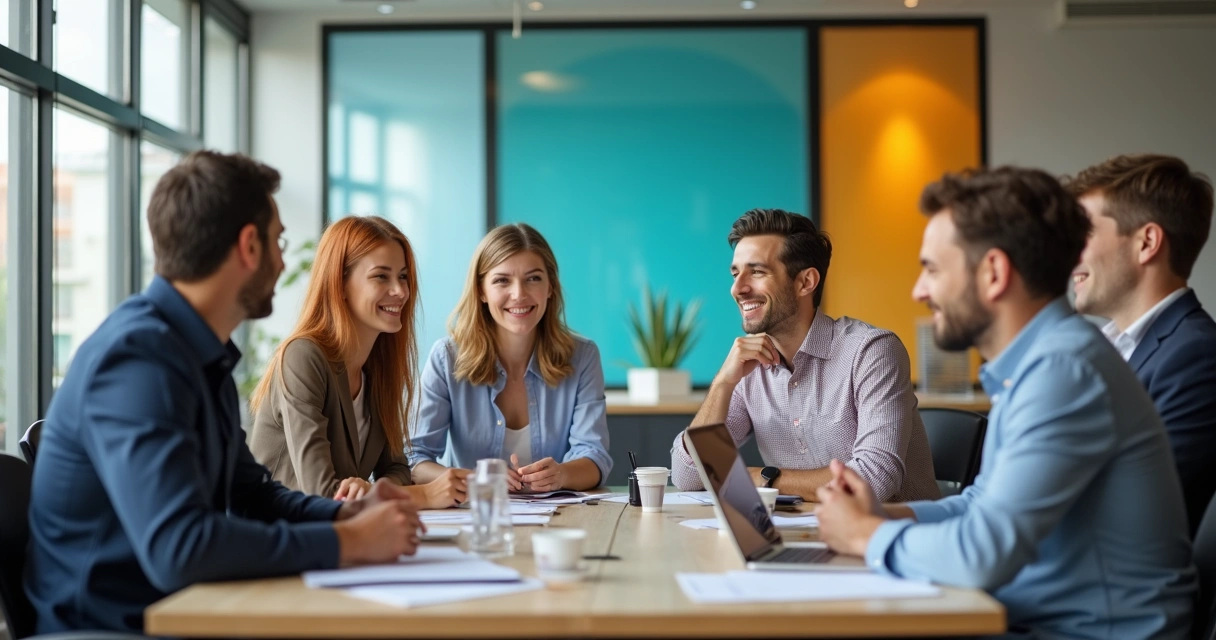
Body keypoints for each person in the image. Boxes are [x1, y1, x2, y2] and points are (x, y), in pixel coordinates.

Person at [25, 152, 424, 634]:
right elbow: (181, 548)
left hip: (184, 609)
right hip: (117, 626)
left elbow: (253, 494)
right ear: (248, 246)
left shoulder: (191, 352)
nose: (283, 261)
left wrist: (348, 514)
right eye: (277, 242)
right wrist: (347, 542)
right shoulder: (137, 360)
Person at [815, 166, 1195, 640]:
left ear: (993, 273)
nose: (919, 290)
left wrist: (863, 536)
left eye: (932, 268)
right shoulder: (1041, 363)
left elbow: (982, 552)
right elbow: (983, 504)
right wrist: (884, 515)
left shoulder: (1063, 371)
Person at [669, 208, 938, 502]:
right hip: (801, 537)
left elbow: (874, 481)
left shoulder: (871, 352)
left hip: (888, 539)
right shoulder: (747, 367)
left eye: (756, 271)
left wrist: (758, 477)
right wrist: (723, 383)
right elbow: (688, 475)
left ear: (805, 282)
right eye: (735, 273)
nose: (738, 288)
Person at [248, 215, 465, 508]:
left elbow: (397, 468)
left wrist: (372, 489)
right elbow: (322, 495)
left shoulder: (377, 368)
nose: (401, 291)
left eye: (403, 276)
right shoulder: (303, 356)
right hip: (280, 541)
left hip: (335, 538)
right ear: (340, 284)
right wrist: (422, 494)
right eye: (381, 276)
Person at [1067, 154, 1216, 535]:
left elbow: (1139, 512)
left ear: (1147, 242)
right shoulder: (1104, 349)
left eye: (1083, 235)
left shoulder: (1196, 355)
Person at [410, 223, 611, 492]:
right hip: (474, 519)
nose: (519, 294)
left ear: (550, 287)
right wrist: (476, 479)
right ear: (481, 290)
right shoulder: (446, 358)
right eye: (502, 280)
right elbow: (415, 459)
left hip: (560, 522)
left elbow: (594, 456)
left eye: (533, 278)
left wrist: (561, 475)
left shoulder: (582, 357)